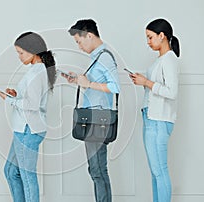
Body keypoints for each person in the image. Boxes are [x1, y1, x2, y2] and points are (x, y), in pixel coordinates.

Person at [63, 19, 120, 202]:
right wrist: (80, 81)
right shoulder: (95, 58)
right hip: (92, 117)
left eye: (79, 41)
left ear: (90, 35)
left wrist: (88, 83)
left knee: (98, 169)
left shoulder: (104, 56)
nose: (79, 46)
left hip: (99, 118)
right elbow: (96, 86)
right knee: (94, 169)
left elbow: (115, 86)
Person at [0, 32, 56, 202]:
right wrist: (16, 95)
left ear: (33, 51)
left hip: (28, 130)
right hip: (24, 129)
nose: (19, 57)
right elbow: (30, 99)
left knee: (27, 176)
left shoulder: (38, 72)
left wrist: (9, 100)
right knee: (10, 171)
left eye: (21, 53)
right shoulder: (36, 70)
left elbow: (32, 105)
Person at [130, 18, 180, 202]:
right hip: (151, 118)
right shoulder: (161, 60)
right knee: (155, 171)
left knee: (160, 171)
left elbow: (171, 92)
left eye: (150, 37)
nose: (148, 42)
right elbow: (157, 89)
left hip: (158, 121)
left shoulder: (169, 59)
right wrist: (143, 82)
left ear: (162, 36)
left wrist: (147, 82)